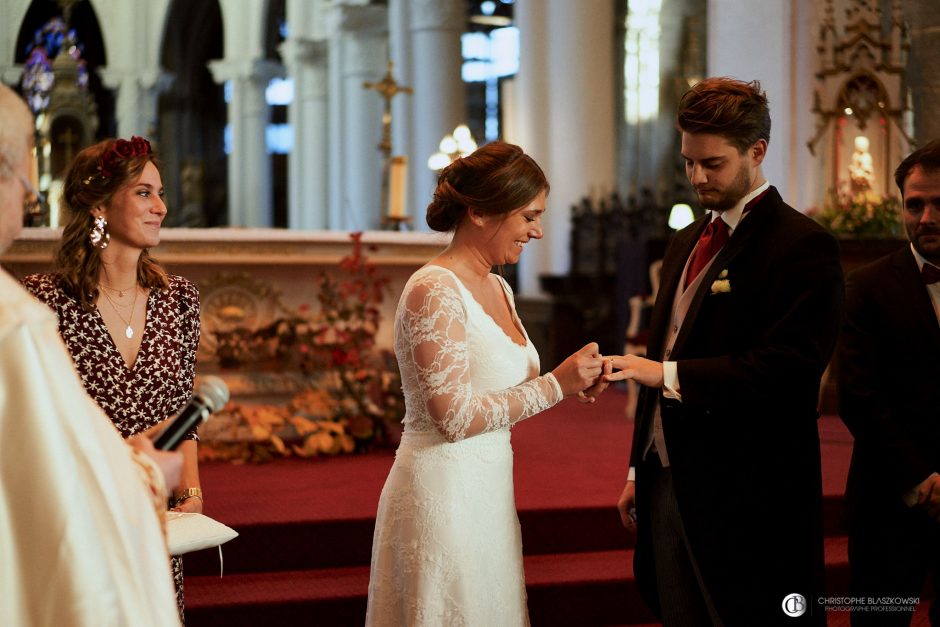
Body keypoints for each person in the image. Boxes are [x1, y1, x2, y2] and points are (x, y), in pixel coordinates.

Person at [606, 77, 844, 625]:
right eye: (689, 162)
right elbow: (664, 343)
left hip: (751, 490)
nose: (697, 177)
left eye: (712, 164)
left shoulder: (802, 245)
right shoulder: (685, 241)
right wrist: (639, 470)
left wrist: (663, 373)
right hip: (667, 475)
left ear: (756, 152)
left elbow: (787, 370)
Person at [365, 141, 608, 626]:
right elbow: (453, 417)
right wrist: (556, 386)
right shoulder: (433, 289)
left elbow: (509, 390)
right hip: (441, 493)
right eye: (528, 216)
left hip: (488, 492)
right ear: (479, 211)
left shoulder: (497, 285)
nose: (538, 231)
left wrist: (576, 378)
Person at [0, 84, 182, 626]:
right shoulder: (34, 306)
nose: (161, 207)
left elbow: (182, 419)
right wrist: (146, 476)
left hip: (155, 517)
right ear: (101, 205)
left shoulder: (178, 299)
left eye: (161, 192)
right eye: (144, 193)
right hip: (92, 521)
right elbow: (52, 459)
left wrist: (187, 490)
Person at [838, 140, 940, 625]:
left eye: (939, 203)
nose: (926, 217)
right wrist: (921, 480)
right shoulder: (867, 286)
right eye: (915, 204)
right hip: (889, 499)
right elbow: (860, 396)